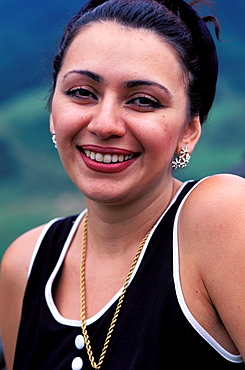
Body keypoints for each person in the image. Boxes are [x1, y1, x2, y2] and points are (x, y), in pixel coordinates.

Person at [0, 0, 244, 369]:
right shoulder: (25, 264)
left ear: (189, 132)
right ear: (53, 112)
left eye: (143, 101)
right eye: (82, 92)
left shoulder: (221, 218)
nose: (105, 124)